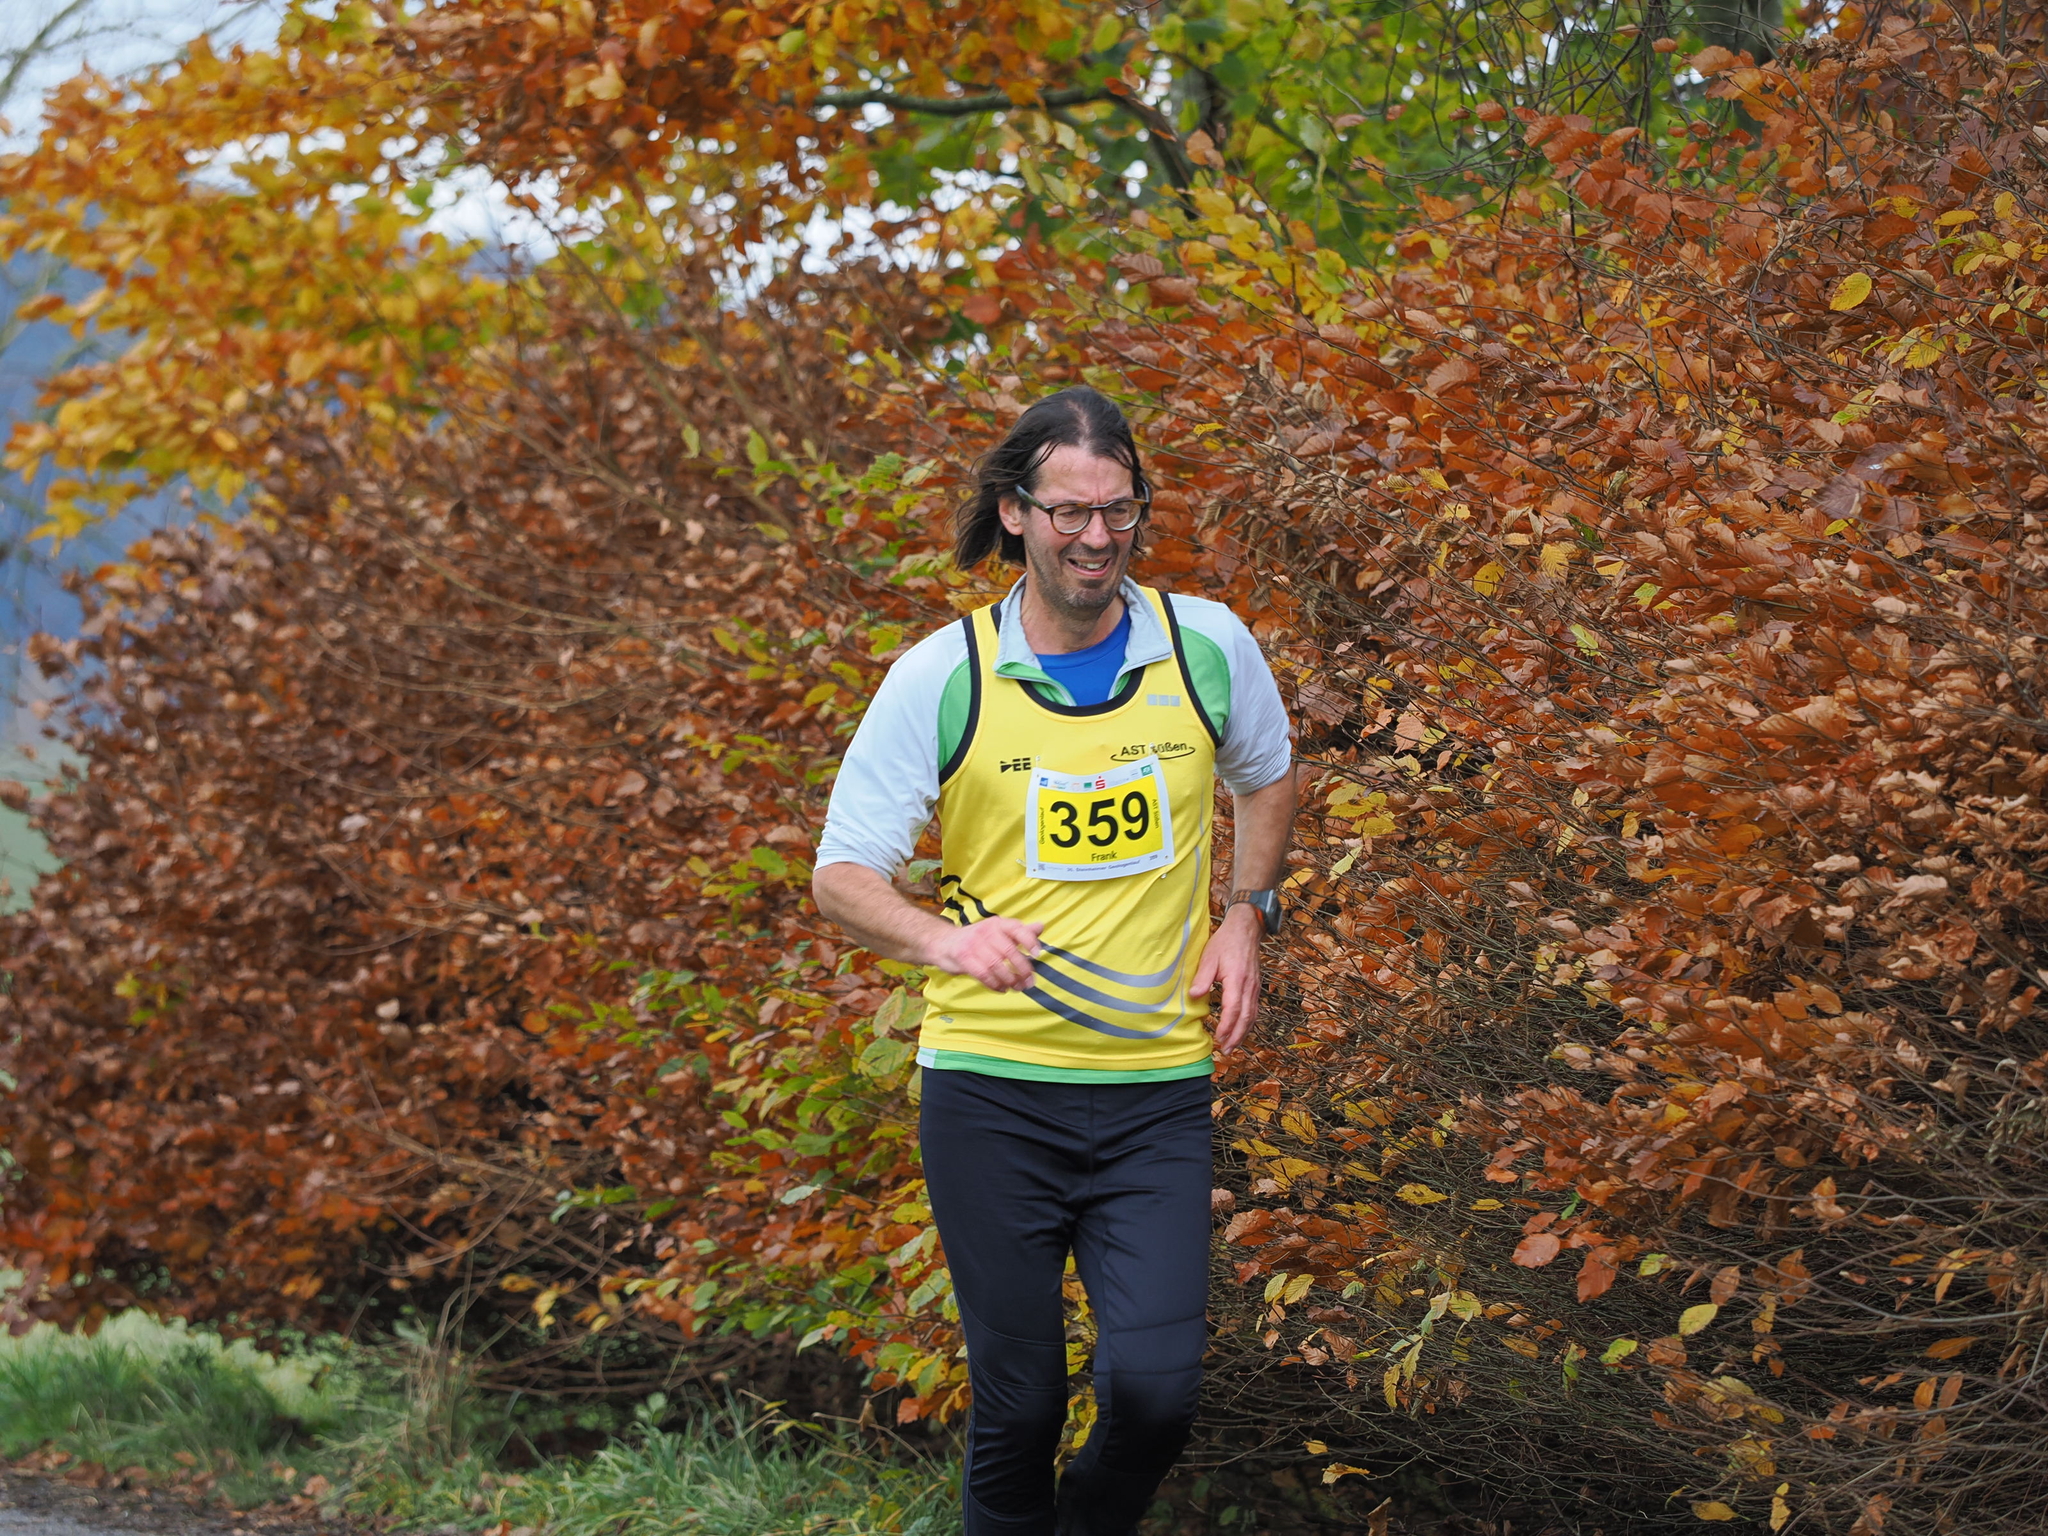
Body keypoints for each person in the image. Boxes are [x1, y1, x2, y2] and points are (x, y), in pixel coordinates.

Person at [812, 387, 1295, 1536]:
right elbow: (840, 876)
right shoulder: (945, 675)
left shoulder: (1205, 647)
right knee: (1021, 1406)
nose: (1096, 537)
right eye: (1070, 512)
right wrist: (944, 941)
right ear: (1015, 512)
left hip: (1153, 1094)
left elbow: (1267, 774)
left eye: (1118, 511)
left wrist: (1245, 913)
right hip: (991, 1095)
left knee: (1156, 1396)